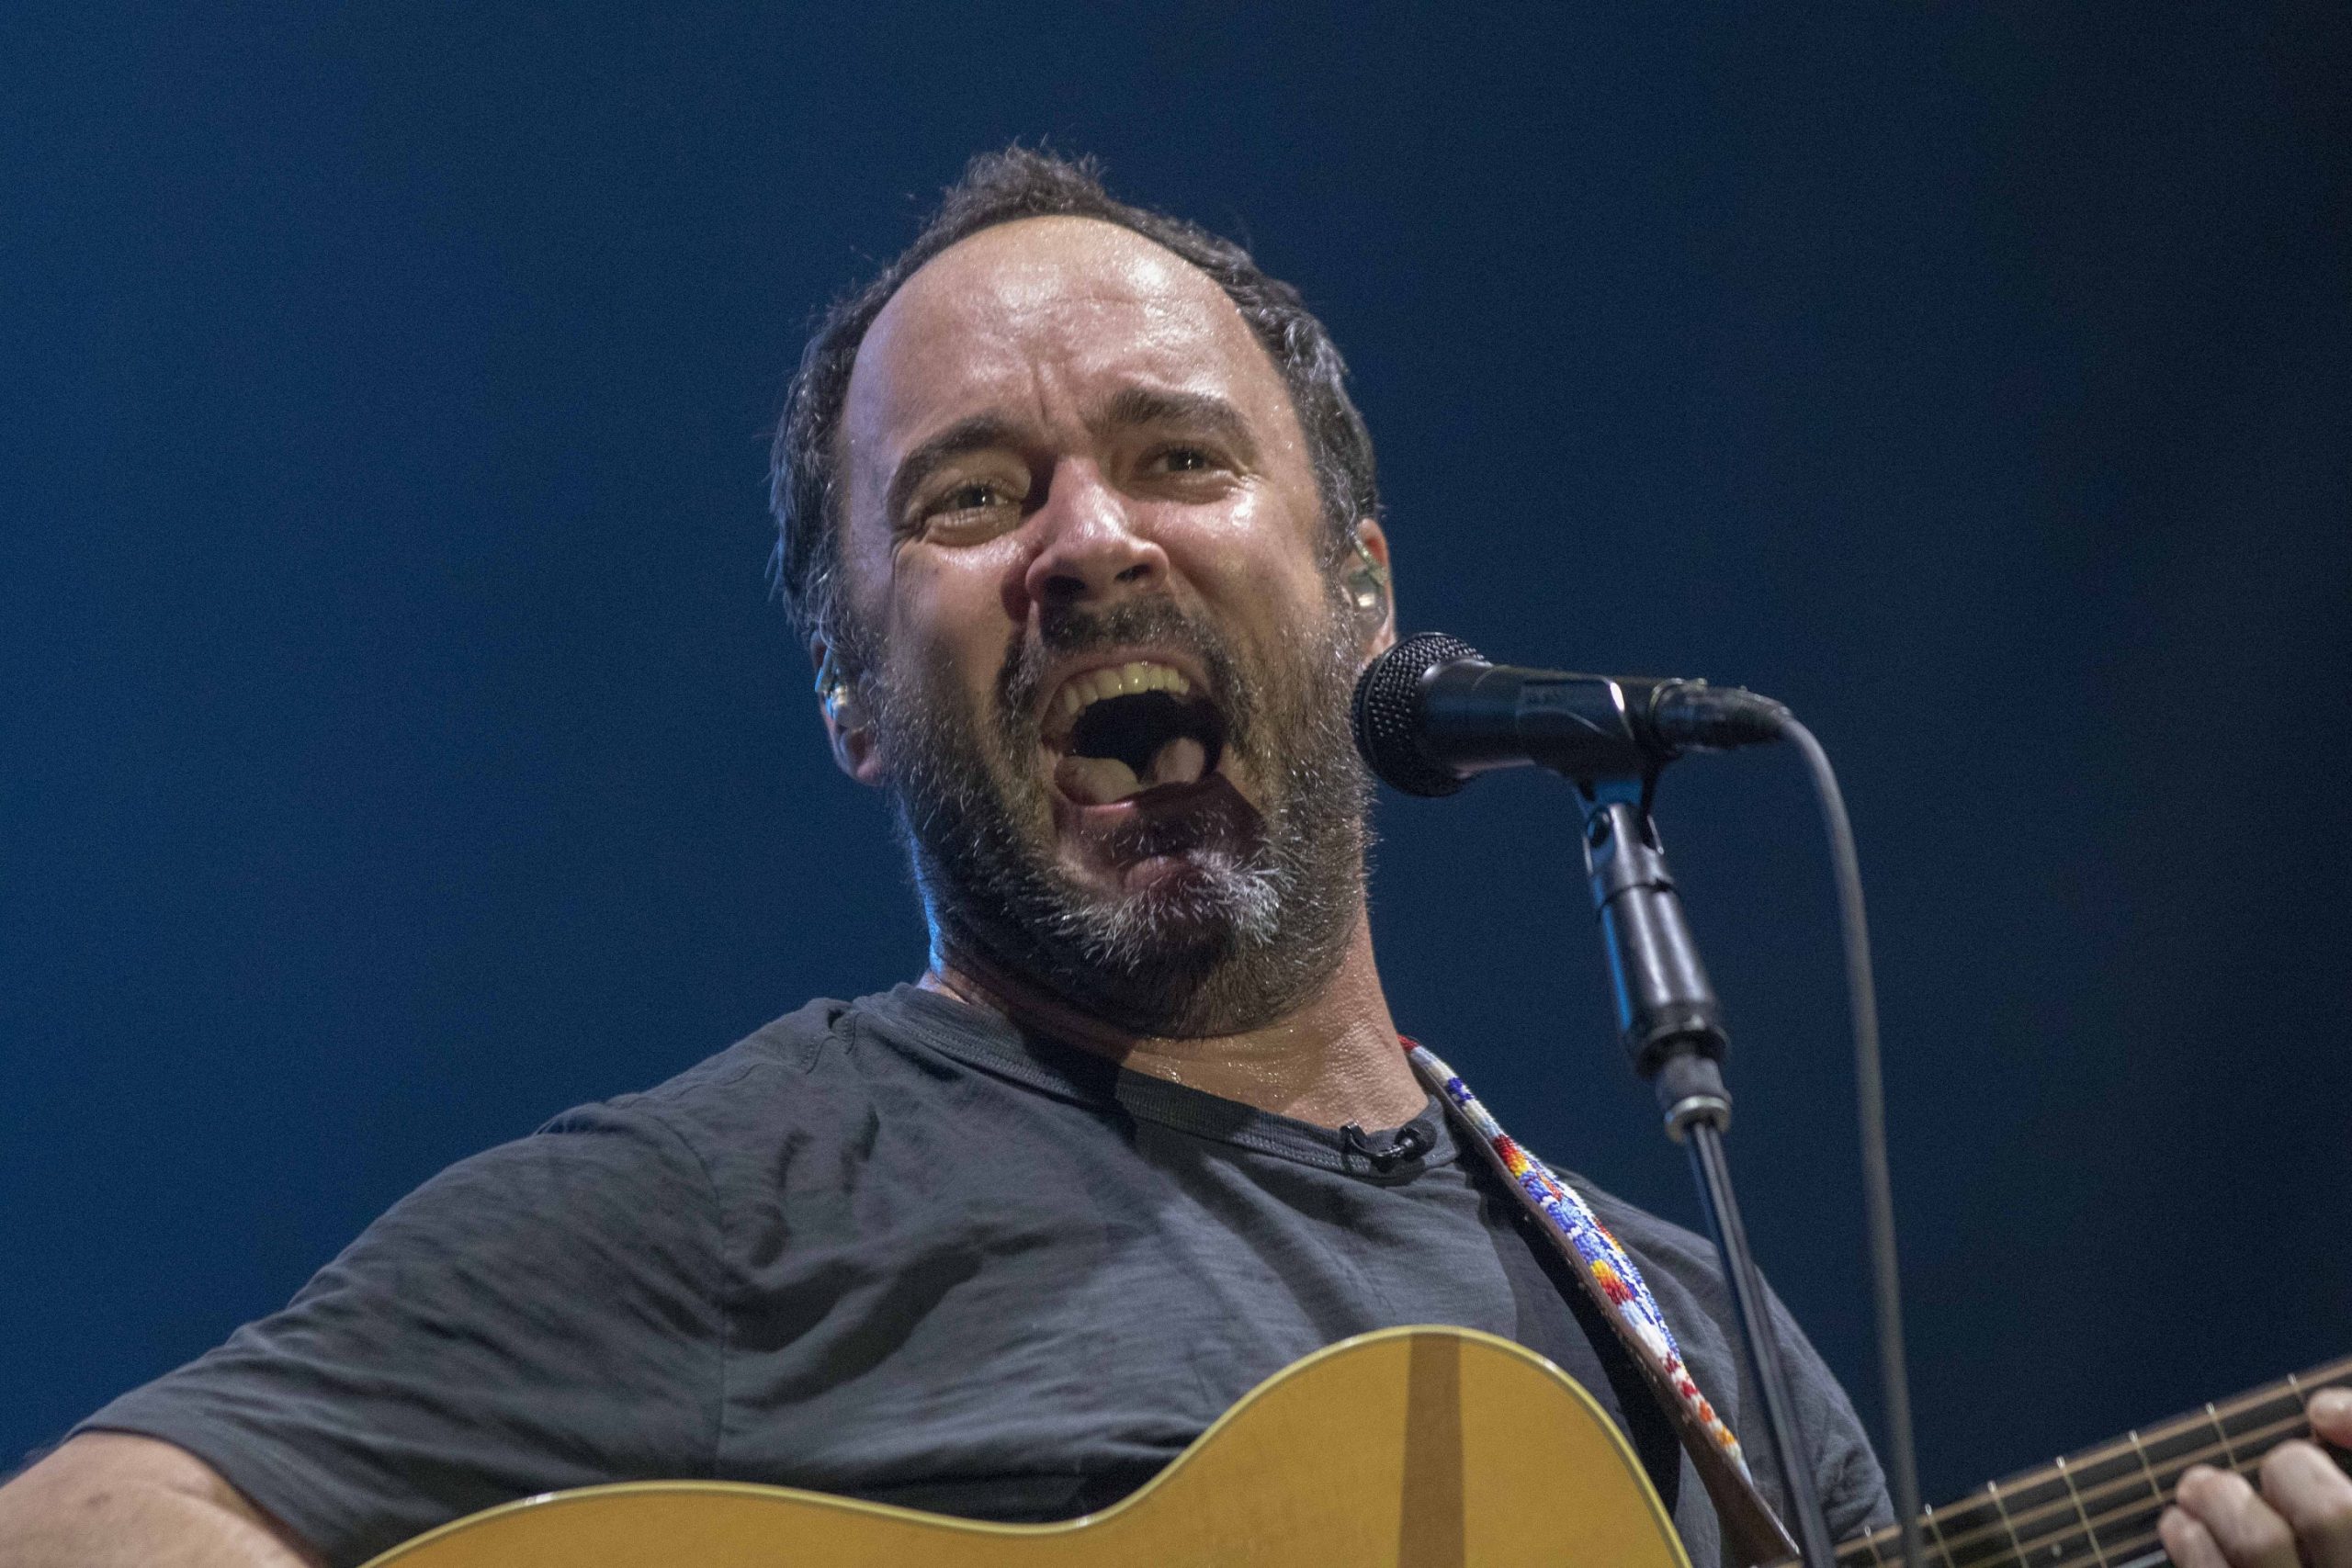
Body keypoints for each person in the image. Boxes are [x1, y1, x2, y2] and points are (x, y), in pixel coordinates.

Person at [4, 149, 2343, 1568]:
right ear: (849, 692)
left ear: (1360, 596)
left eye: (1177, 458)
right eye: (969, 494)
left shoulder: (1695, 1341)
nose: (1089, 540)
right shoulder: (737, 1198)